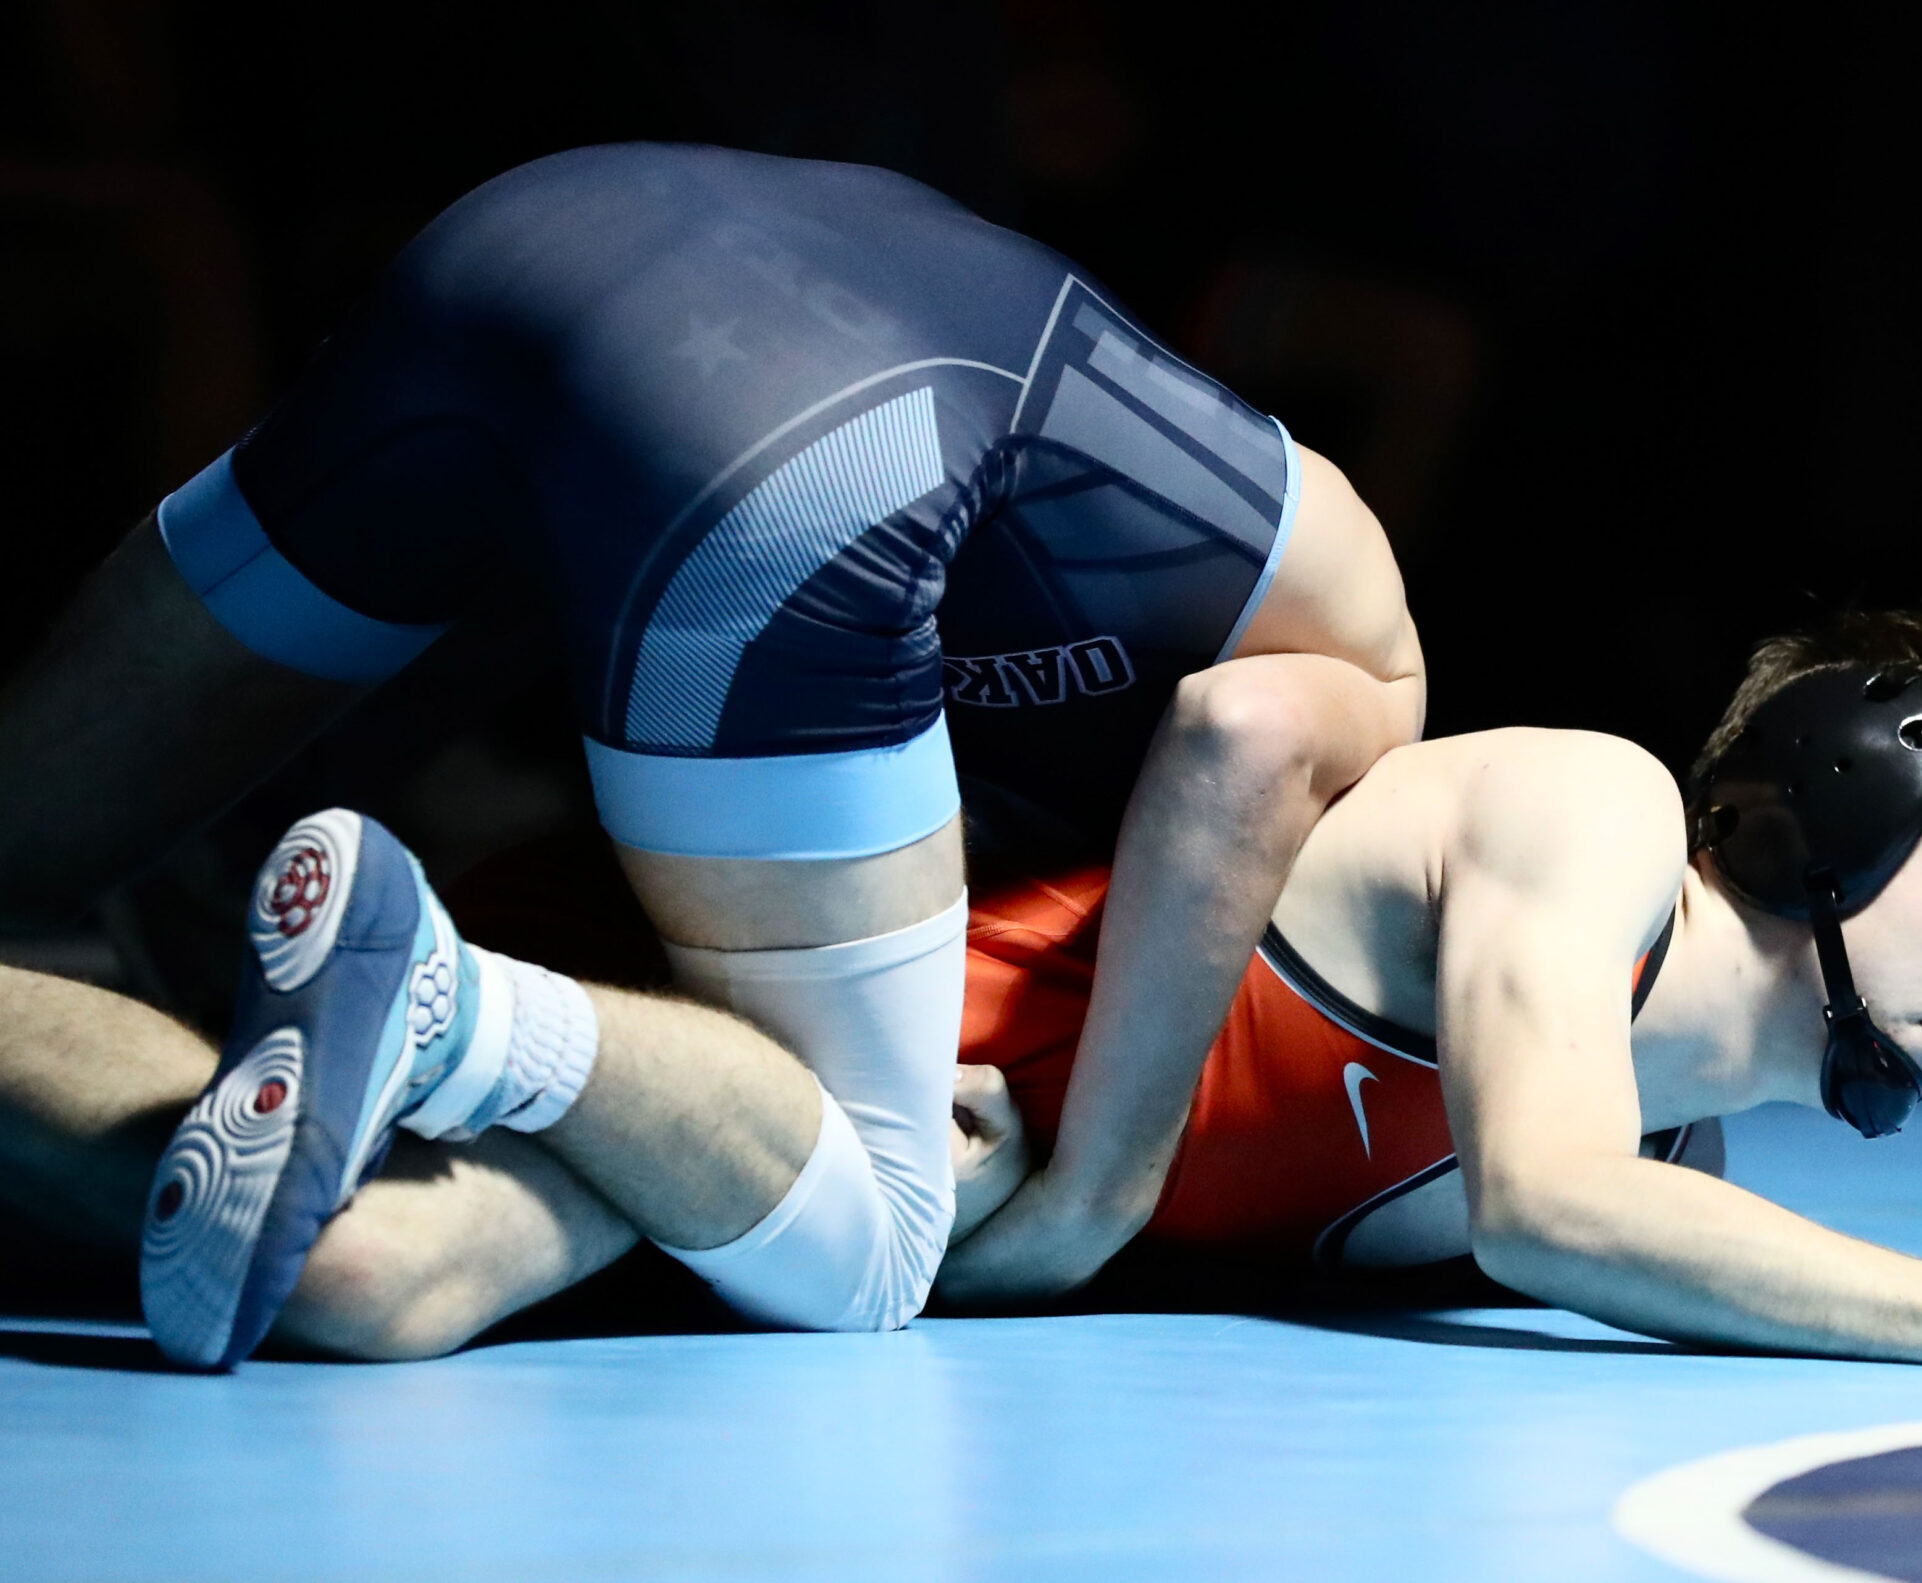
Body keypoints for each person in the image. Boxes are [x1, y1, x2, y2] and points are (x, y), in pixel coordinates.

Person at [37, 609, 1922, 1379]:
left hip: (883, 1224)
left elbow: (1605, 1207)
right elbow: (1556, 1209)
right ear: (1845, 808)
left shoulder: (1660, 1134)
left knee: (344, 1281)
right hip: (824, 1056)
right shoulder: (1585, 820)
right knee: (417, 1245)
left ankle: (351, 1008)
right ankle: (450, 1002)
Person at [0, 144, 1423, 1366]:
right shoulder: (1379, 698)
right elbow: (1242, 737)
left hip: (524, 239)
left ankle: (396, 1017)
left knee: (20, 863)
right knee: (880, 1227)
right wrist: (1098, 1199)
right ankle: (452, 1007)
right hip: (818, 458)